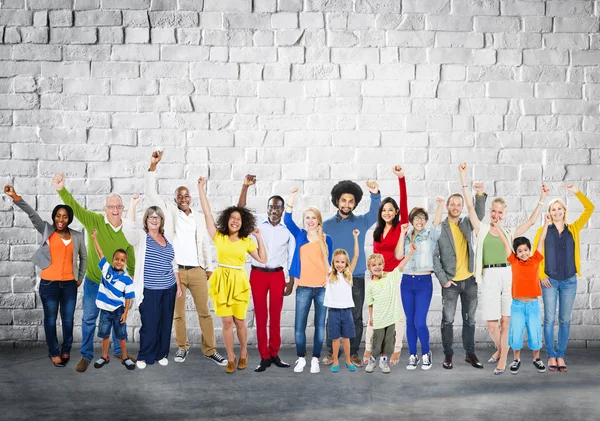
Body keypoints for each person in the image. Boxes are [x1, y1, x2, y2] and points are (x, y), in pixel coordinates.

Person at [460, 163, 548, 374]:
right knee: (492, 324)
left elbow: (531, 221)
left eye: (500, 212)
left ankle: (502, 360)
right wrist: (463, 177)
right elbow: (470, 208)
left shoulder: (509, 233)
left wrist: (542, 198)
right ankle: (501, 350)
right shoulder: (481, 229)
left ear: (504, 214)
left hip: (509, 276)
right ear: (490, 212)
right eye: (494, 211)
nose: (497, 215)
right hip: (489, 276)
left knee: (506, 320)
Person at [145, 151, 225, 366]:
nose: (183, 199)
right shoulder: (170, 212)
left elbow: (206, 244)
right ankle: (182, 347)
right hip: (176, 271)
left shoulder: (198, 217)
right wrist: (153, 166)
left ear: (191, 198)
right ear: (175, 199)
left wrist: (209, 267)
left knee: (205, 313)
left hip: (198, 270)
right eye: (179, 196)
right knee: (177, 314)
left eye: (186, 195)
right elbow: (151, 193)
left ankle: (210, 350)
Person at [52, 173, 135, 373]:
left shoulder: (129, 230)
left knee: (118, 320)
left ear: (122, 210)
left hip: (116, 286)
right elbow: (76, 208)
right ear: (105, 209)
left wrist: (132, 279)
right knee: (89, 319)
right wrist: (61, 189)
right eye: (111, 207)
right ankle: (86, 355)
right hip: (94, 282)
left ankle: (118, 350)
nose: (115, 210)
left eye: (118, 207)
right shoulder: (94, 221)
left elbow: (131, 254)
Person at [4, 185, 86, 368]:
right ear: (54, 217)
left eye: (65, 216)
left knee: (68, 320)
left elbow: (84, 257)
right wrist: (15, 196)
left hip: (70, 285)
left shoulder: (78, 236)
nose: (61, 219)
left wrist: (80, 277)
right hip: (49, 283)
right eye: (58, 216)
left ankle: (66, 349)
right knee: (50, 319)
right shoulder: (47, 231)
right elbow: (32, 214)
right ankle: (54, 352)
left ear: (69, 219)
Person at [197, 176, 268, 374]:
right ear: (227, 220)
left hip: (238, 282)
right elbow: (207, 212)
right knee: (226, 322)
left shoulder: (246, 241)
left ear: (242, 222)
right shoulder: (218, 237)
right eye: (232, 218)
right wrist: (200, 188)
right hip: (221, 281)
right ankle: (231, 356)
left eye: (239, 219)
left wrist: (259, 238)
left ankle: (244, 351)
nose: (235, 221)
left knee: (239, 322)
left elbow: (262, 259)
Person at [533, 184, 595, 373]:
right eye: (553, 209)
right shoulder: (543, 231)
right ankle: (551, 355)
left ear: (564, 211)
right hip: (549, 281)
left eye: (560, 208)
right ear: (549, 213)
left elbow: (590, 208)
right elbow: (536, 254)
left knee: (565, 320)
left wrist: (576, 191)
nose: (557, 211)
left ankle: (560, 355)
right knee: (550, 319)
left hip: (569, 280)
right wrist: (542, 274)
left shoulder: (573, 229)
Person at [237, 175, 295, 373]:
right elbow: (240, 211)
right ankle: (264, 356)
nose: (274, 210)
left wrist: (291, 280)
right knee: (261, 316)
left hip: (278, 276)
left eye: (278, 207)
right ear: (267, 208)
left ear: (282, 209)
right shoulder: (256, 226)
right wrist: (245, 187)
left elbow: (291, 257)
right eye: (271, 206)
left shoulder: (287, 231)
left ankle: (274, 354)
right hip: (258, 275)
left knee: (275, 316)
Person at [322, 179, 381, 367]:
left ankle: (354, 352)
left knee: (355, 316)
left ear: (355, 203)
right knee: (333, 315)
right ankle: (333, 352)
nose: (347, 204)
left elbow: (375, 212)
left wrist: (375, 193)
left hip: (355, 277)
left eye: (351, 201)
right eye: (343, 200)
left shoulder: (362, 221)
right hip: (333, 278)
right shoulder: (327, 225)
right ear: (337, 201)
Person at [123, 197, 182, 369]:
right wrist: (133, 204)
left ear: (161, 221)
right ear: (146, 221)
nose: (154, 219)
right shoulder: (141, 238)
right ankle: (144, 356)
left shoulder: (167, 238)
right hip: (150, 290)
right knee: (150, 324)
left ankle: (161, 353)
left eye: (157, 217)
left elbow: (174, 264)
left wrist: (178, 285)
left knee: (165, 323)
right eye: (151, 217)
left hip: (168, 289)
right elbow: (128, 229)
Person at [433, 183, 487, 370]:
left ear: (462, 207)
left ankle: (470, 353)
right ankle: (448, 355)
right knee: (447, 320)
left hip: (470, 281)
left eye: (459, 204)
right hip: (451, 283)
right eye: (452, 204)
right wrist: (443, 280)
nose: (456, 207)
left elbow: (478, 215)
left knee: (469, 320)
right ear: (447, 206)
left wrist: (479, 194)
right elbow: (434, 256)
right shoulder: (440, 228)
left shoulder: (466, 224)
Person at [284, 188, 333, 374]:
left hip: (321, 288)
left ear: (318, 220)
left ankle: (315, 359)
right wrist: (292, 197)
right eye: (307, 218)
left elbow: (329, 263)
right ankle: (301, 358)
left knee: (320, 326)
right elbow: (287, 220)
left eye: (313, 217)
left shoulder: (327, 239)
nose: (310, 221)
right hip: (303, 287)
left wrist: (329, 280)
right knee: (299, 327)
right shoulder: (300, 235)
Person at [365, 165, 409, 366]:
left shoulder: (401, 226)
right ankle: (369, 348)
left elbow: (404, 202)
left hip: (394, 276)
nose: (387, 212)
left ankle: (396, 349)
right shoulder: (377, 231)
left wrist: (401, 178)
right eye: (384, 210)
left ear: (396, 212)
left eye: (391, 210)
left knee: (396, 314)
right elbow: (375, 256)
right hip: (377, 277)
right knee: (374, 313)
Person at [494, 217, 550, 375]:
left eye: (526, 250)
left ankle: (536, 359)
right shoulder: (514, 262)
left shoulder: (535, 260)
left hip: (533, 305)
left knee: (535, 333)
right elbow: (505, 243)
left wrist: (545, 223)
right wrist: (497, 226)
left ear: (529, 250)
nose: (523, 253)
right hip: (517, 305)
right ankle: (516, 359)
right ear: (516, 253)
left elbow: (542, 239)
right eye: (520, 251)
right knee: (516, 333)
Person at [399, 198, 444, 370]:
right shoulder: (405, 237)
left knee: (419, 321)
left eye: (422, 218)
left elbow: (437, 223)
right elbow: (398, 256)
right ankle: (413, 355)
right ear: (411, 220)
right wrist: (401, 235)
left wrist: (439, 205)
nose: (420, 220)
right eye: (416, 217)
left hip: (424, 282)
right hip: (406, 282)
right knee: (410, 321)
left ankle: (426, 353)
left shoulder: (430, 235)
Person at [365, 232, 416, 374]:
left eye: (380, 264)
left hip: (391, 319)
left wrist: (410, 253)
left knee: (388, 342)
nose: (377, 267)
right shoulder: (370, 285)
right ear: (369, 268)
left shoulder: (390, 277)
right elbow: (370, 303)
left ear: (383, 265)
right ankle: (372, 360)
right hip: (379, 319)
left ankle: (383, 361)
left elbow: (401, 265)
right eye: (374, 265)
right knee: (377, 341)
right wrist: (371, 317)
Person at [90, 230, 135, 370]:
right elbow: (100, 253)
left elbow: (128, 297)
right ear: (112, 259)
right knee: (104, 335)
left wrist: (126, 312)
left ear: (125, 262)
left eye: (122, 260)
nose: (119, 262)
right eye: (116, 259)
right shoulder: (106, 269)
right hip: (105, 311)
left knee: (121, 336)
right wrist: (94, 238)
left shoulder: (127, 279)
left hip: (118, 311)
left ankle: (125, 357)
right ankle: (104, 356)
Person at [325, 229, 360, 373]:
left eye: (342, 262)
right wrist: (321, 238)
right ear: (333, 262)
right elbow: (323, 254)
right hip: (333, 311)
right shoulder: (329, 273)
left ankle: (347, 360)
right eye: (337, 262)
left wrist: (355, 238)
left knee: (346, 338)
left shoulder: (348, 274)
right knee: (334, 339)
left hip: (346, 311)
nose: (340, 264)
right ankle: (335, 361)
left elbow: (356, 256)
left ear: (346, 263)